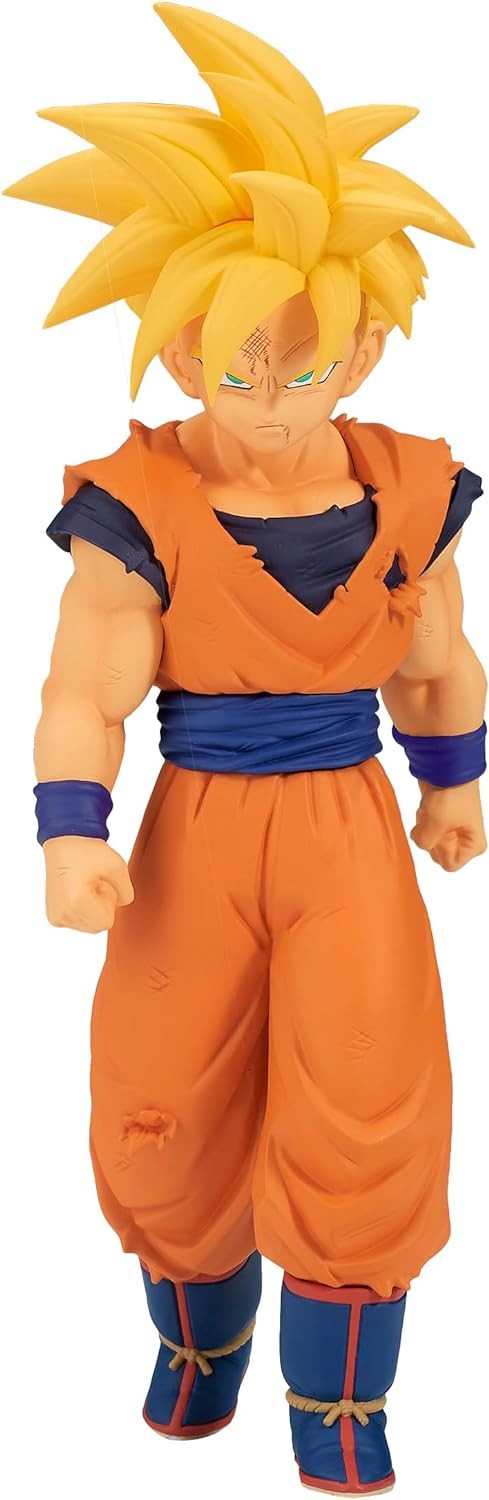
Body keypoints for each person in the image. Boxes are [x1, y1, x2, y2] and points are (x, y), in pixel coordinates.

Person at [3, 6, 487, 1495]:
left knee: (365, 1097)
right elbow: (85, 683)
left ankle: (339, 1400)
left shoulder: (405, 492)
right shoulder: (139, 504)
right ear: (179, 352)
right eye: (233, 368)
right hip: (195, 829)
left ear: (363, 346)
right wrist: (71, 829)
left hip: (348, 833)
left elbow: (436, 658)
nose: (269, 402)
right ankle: (198, 1343)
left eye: (302, 365)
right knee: (166, 1096)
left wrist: (455, 783)